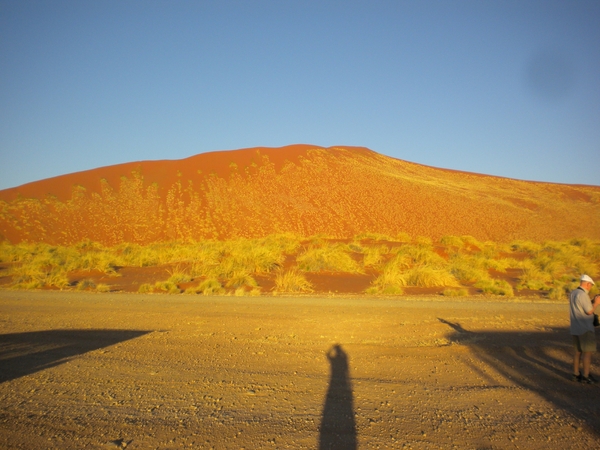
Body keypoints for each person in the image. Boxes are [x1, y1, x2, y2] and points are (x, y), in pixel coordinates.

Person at [570, 274, 599, 383]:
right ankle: (586, 376)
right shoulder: (583, 295)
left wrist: (591, 302)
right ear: (587, 284)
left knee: (577, 352)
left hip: (575, 328)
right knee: (587, 353)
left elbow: (581, 307)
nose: (590, 287)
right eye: (590, 285)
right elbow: (588, 311)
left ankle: (575, 374)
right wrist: (596, 303)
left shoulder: (573, 293)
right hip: (585, 328)